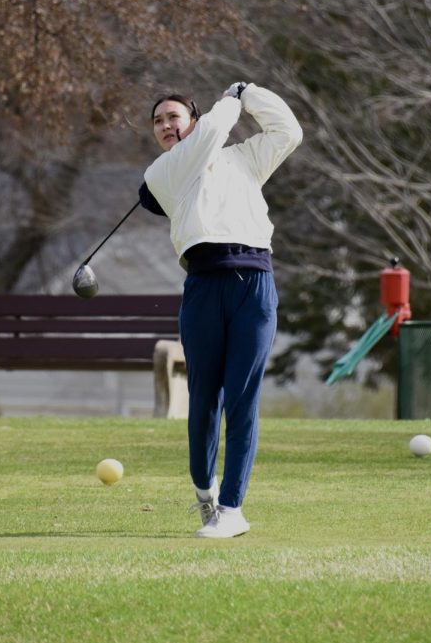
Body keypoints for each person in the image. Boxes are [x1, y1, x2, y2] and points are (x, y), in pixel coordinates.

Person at [140, 82, 302, 538]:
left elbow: (288, 131)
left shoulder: (245, 158)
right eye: (158, 121)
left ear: (191, 118)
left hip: (254, 283)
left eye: (174, 116)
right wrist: (228, 101)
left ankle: (232, 509)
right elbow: (210, 134)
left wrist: (250, 93)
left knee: (242, 399)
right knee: (204, 399)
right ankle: (204, 491)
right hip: (204, 286)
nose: (166, 126)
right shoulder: (164, 172)